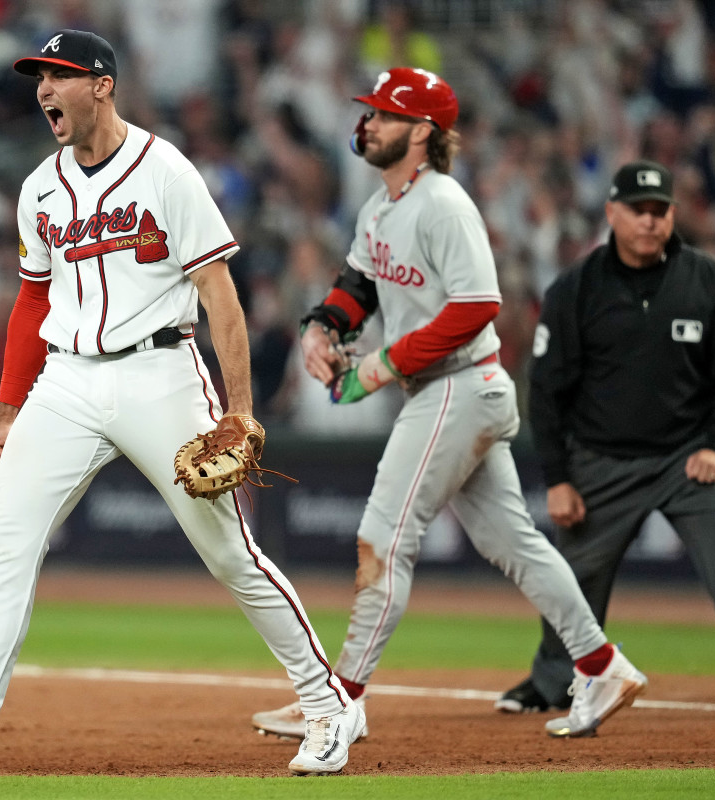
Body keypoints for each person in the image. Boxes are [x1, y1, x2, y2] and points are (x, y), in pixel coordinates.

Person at [0, 29, 363, 779]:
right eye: (38, 78)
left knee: (230, 553)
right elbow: (31, 300)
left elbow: (219, 297)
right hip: (66, 381)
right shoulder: (39, 187)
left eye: (59, 77)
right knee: (7, 541)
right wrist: (8, 407)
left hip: (159, 372)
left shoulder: (164, 170)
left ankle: (329, 707)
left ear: (101, 85)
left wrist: (240, 411)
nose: (43, 91)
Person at [251, 68, 646, 743]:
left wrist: (381, 363)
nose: (368, 122)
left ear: (423, 130)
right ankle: (603, 663)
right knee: (511, 542)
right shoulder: (381, 207)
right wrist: (323, 328)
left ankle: (338, 699)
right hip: (451, 389)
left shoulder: (443, 201)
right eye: (369, 111)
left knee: (384, 539)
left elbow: (478, 305)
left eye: (384, 113)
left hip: (459, 384)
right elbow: (358, 287)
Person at [494, 159, 715, 718]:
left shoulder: (709, 280)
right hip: (600, 463)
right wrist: (557, 478)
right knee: (570, 583)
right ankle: (553, 682)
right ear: (611, 213)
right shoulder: (576, 287)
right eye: (638, 210)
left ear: (674, 215)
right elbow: (548, 392)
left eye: (660, 211)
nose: (649, 221)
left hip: (686, 459)